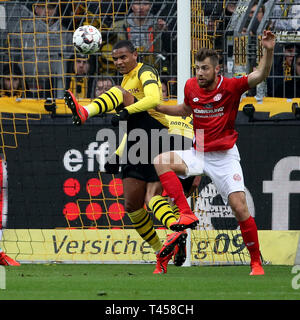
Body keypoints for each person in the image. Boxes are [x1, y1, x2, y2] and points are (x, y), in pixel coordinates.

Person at [152, 30, 276, 276]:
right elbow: (185, 109)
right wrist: (156, 106)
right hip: (198, 153)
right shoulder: (190, 86)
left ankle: (255, 263)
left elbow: (260, 74)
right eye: (197, 68)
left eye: (205, 68)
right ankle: (185, 214)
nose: (199, 72)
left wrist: (268, 50)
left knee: (239, 208)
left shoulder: (231, 86)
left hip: (225, 156)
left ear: (216, 70)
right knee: (160, 161)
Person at [64, 40, 187, 274]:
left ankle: (85, 111)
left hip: (156, 135)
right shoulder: (126, 80)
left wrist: (125, 110)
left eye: (123, 57)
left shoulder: (145, 71)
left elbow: (153, 100)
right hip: (136, 140)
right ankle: (167, 244)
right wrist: (118, 154)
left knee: (153, 196)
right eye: (115, 59)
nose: (119, 62)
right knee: (132, 205)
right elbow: (131, 127)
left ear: (135, 55)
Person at [111, 0, 167, 68]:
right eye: (137, 3)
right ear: (132, 6)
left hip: (152, 67)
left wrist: (162, 30)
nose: (141, 7)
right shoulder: (118, 26)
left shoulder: (158, 25)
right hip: (125, 68)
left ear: (150, 6)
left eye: (145, 4)